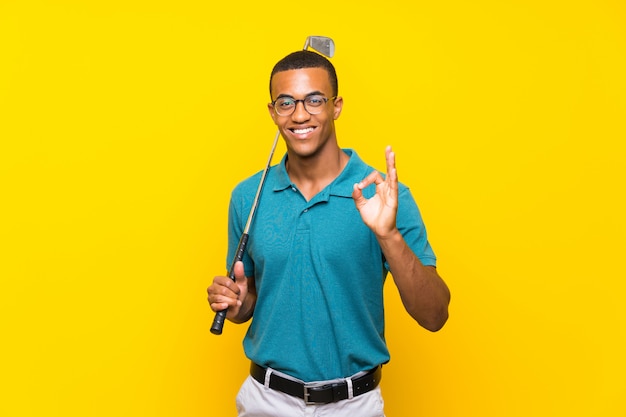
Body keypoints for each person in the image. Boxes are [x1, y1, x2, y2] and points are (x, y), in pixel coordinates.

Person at [207, 49, 450, 417]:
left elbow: (435, 316)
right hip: (266, 401)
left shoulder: (384, 194)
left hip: (355, 404)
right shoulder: (247, 197)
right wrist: (240, 304)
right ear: (272, 112)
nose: (300, 114)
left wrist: (389, 235)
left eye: (314, 100)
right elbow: (252, 297)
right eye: (286, 102)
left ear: (336, 106)